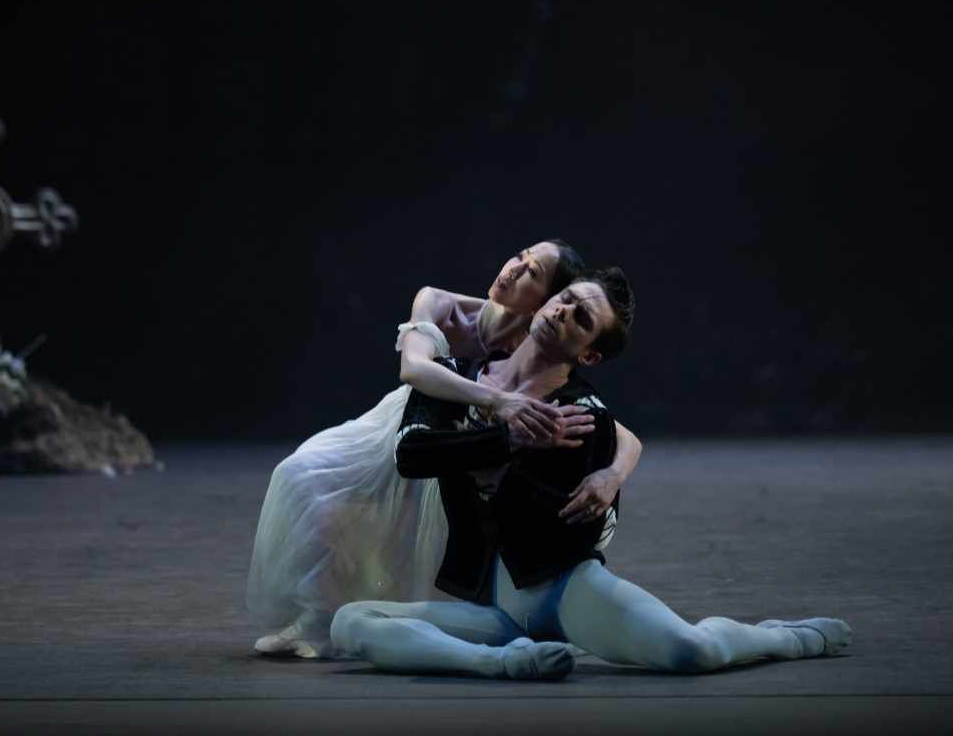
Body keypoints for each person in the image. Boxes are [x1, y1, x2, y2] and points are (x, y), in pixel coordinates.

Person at [330, 268, 852, 679]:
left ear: (589, 353)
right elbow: (414, 456)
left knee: (693, 650)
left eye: (580, 318)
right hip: (500, 615)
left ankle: (785, 637)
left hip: (565, 594)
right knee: (351, 623)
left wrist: (597, 476)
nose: (562, 312)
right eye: (564, 300)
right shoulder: (459, 380)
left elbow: (563, 528)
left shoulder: (581, 415)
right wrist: (503, 442)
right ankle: (498, 665)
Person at [247, 241, 643, 658]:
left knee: (400, 541)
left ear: (546, 299)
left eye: (532, 273)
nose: (512, 270)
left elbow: (622, 433)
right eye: (519, 257)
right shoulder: (437, 302)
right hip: (406, 425)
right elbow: (415, 369)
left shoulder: (540, 346)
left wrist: (613, 473)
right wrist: (496, 401)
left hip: (456, 445)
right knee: (309, 484)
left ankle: (348, 621)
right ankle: (315, 619)